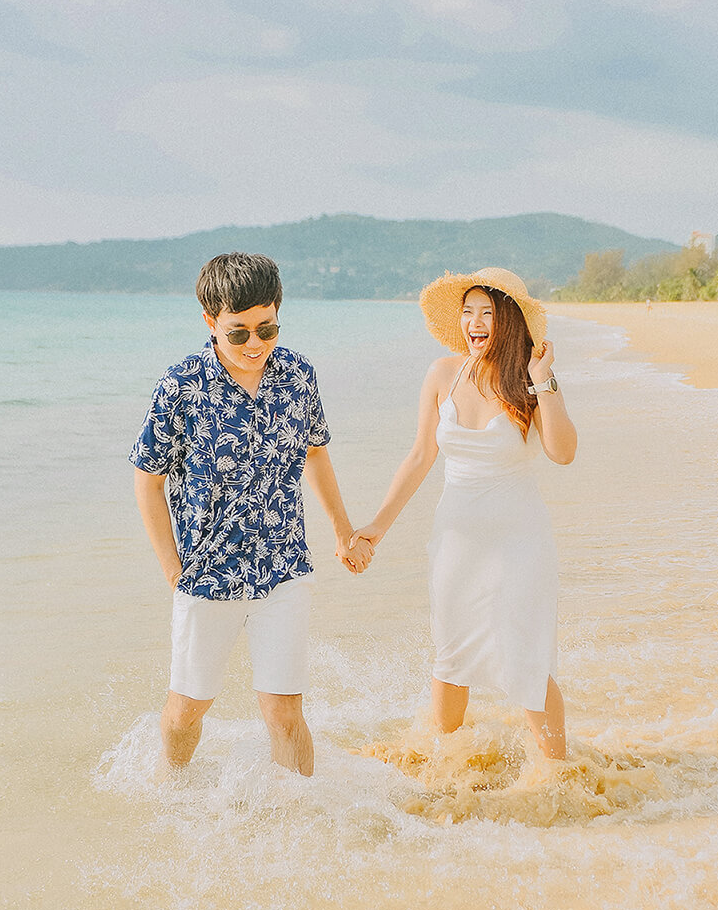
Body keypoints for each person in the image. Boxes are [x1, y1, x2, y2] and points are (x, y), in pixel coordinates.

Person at [130, 251, 370, 777]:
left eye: (267, 328)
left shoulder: (297, 375)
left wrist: (343, 530)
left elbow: (316, 451)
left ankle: (301, 825)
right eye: (237, 333)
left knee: (284, 714)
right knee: (186, 712)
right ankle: (170, 793)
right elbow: (147, 478)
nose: (255, 344)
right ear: (209, 322)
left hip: (282, 568)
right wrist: (172, 568)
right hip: (206, 574)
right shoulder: (181, 386)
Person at [352, 269, 577, 759]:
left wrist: (545, 382)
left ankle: (558, 769)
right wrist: (376, 527)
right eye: (468, 312)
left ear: (510, 322)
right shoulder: (441, 374)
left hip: (519, 539)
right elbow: (419, 457)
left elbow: (562, 452)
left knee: (525, 652)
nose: (475, 323)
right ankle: (442, 760)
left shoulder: (528, 381)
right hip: (456, 536)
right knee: (451, 652)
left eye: (488, 313)